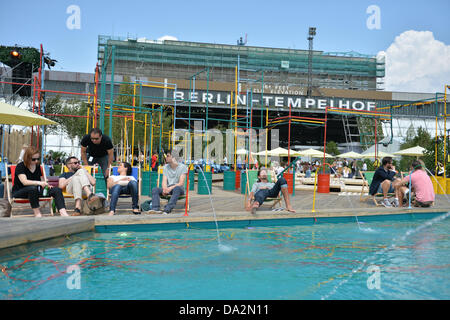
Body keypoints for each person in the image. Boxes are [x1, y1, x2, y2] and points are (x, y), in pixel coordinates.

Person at [12, 146, 68, 217]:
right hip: (20, 192)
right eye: (33, 159)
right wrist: (39, 183)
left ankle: (63, 212)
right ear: (27, 158)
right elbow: (24, 182)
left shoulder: (37, 166)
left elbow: (41, 180)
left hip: (35, 192)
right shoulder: (20, 166)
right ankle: (37, 213)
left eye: (38, 159)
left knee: (56, 190)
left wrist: (46, 185)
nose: (36, 161)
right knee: (32, 188)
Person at [150, 149, 188, 214]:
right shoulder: (166, 167)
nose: (166, 157)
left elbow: (181, 183)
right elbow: (164, 181)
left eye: (168, 156)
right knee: (155, 189)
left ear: (173, 157)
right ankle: (155, 209)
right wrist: (165, 189)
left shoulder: (183, 167)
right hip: (168, 188)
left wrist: (169, 188)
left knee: (177, 189)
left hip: (178, 188)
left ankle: (167, 209)